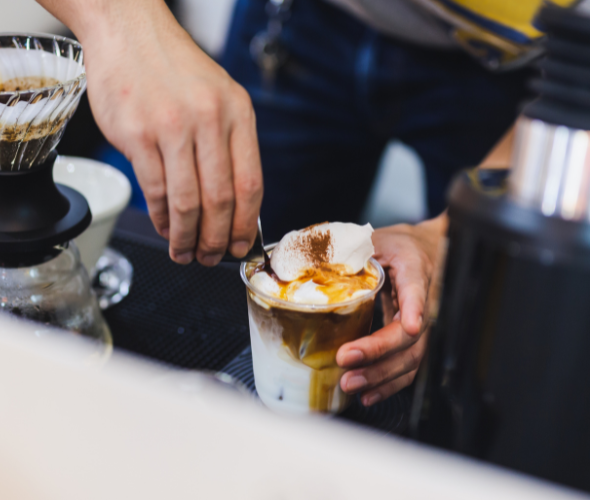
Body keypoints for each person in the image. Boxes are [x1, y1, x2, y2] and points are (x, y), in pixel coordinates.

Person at [32, 0, 546, 407]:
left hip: (523, 66)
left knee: (465, 336)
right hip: (299, 20)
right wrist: (126, 25)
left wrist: (444, 237)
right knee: (222, 273)